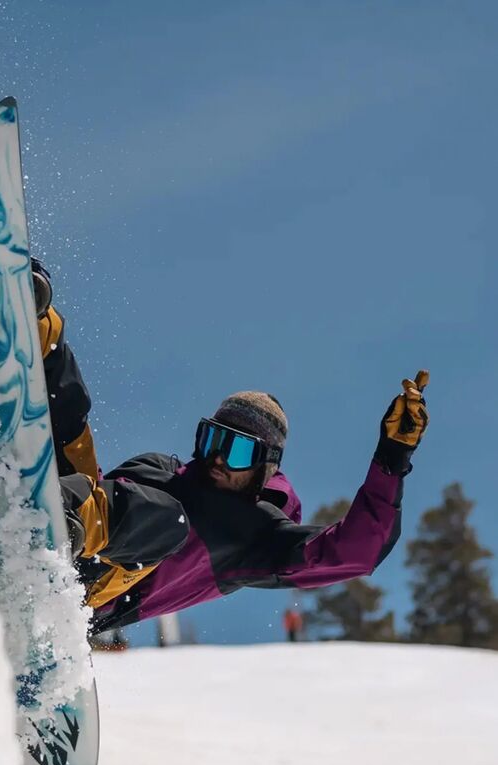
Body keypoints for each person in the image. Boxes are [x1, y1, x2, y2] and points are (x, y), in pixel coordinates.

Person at [29, 257, 430, 636]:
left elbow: (356, 553)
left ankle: (49, 524)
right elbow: (89, 479)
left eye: (238, 450)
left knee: (167, 520)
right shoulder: (161, 469)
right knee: (72, 415)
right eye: (214, 439)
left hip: (83, 595)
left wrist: (392, 457)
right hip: (77, 527)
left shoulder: (253, 536)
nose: (219, 457)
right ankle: (34, 327)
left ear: (265, 468)